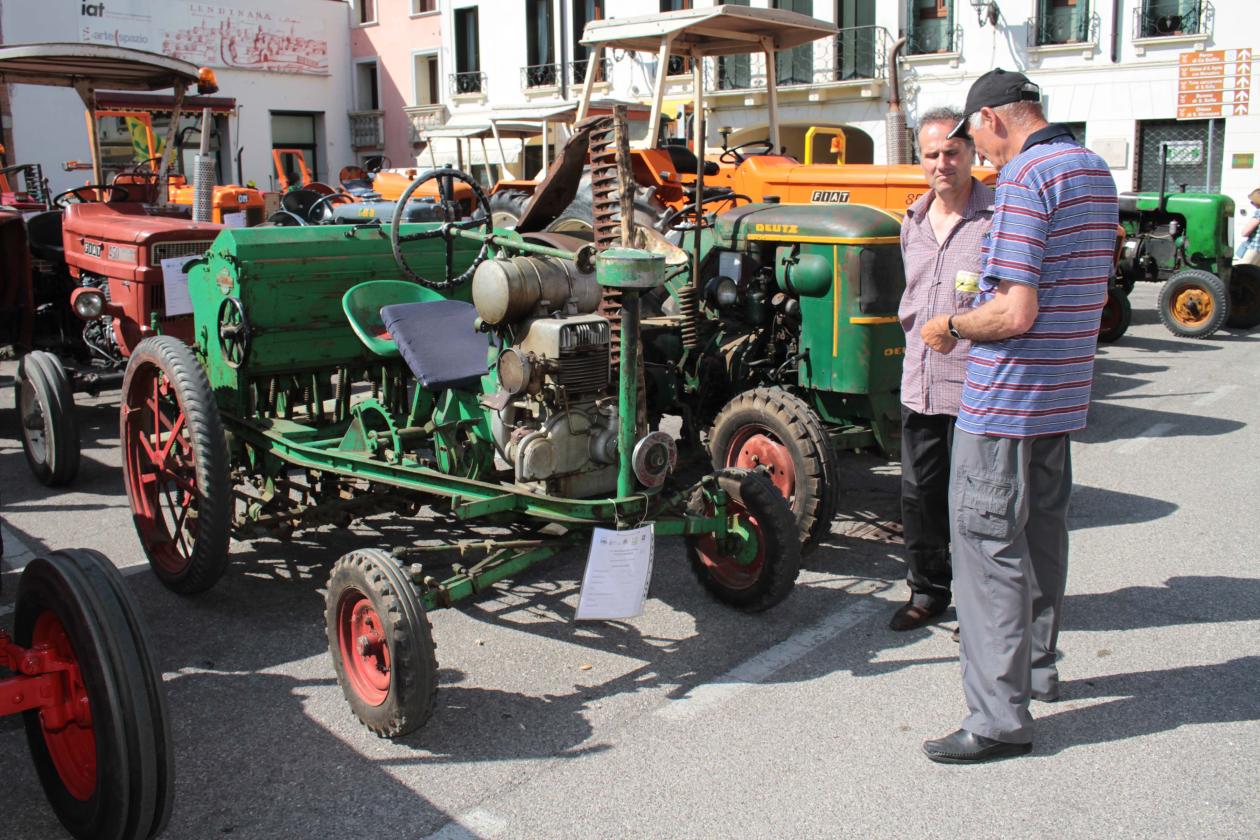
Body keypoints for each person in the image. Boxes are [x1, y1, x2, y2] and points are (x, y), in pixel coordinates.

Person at [917, 68, 1119, 764]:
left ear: (993, 121)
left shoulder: (1027, 180)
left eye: (976, 139)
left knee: (985, 554)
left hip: (1003, 402)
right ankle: (1037, 670)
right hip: (1061, 397)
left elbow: (1014, 310)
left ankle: (999, 720)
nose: (981, 155)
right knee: (1041, 540)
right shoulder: (1092, 169)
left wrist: (951, 324)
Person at [890, 108, 994, 631]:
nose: (942, 163)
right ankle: (928, 592)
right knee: (919, 494)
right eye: (931, 154)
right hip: (922, 381)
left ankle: (980, 607)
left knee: (976, 501)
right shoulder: (911, 221)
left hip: (978, 385)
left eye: (951, 152)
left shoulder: (995, 218)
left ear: (971, 154)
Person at [1236, 188, 1260, 266]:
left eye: (1252, 202)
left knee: (1243, 271)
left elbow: (1245, 232)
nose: (1251, 203)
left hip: (1255, 248)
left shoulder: (1258, 212)